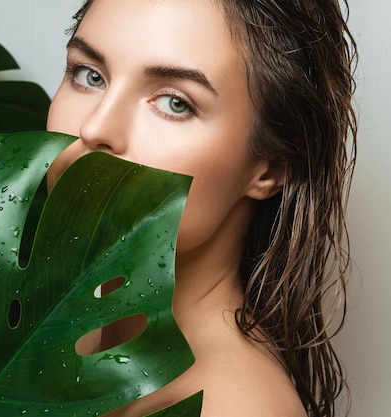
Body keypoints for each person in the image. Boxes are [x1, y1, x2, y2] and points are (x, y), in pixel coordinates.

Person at [45, 0, 358, 416]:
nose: (95, 128)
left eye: (175, 103)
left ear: (270, 169)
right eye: (90, 75)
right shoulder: (60, 338)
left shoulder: (236, 408)